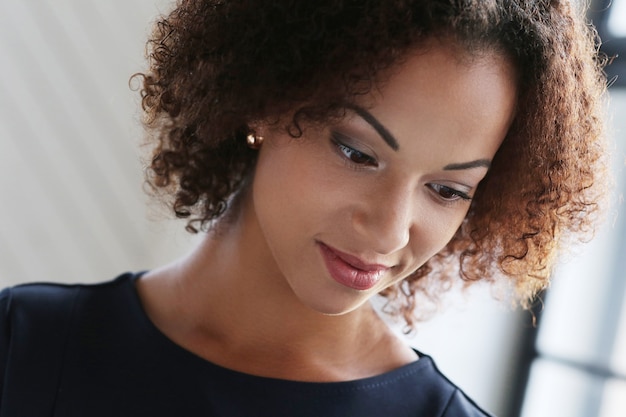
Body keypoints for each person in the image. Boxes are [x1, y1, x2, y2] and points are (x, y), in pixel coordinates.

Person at [0, 0, 608, 416]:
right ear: (265, 99)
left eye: (447, 190)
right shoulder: (22, 344)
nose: (390, 229)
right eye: (356, 152)